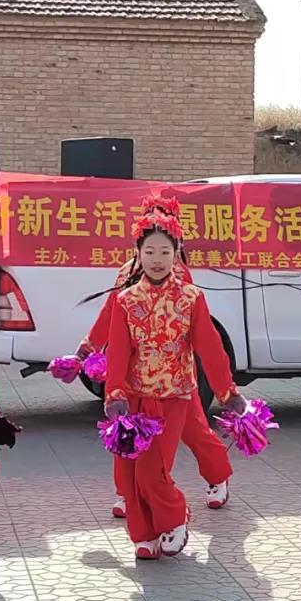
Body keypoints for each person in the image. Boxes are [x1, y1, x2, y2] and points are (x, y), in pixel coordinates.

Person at [78, 195, 234, 519]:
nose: (156, 256)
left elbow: (200, 333)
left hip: (176, 380)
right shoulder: (127, 274)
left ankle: (216, 477)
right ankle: (127, 493)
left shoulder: (182, 280)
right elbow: (110, 312)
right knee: (126, 432)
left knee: (194, 433)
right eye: (149, 225)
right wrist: (89, 346)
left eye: (162, 224)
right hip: (135, 378)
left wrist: (226, 390)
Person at [105, 210, 248, 559]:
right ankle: (145, 535)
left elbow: (210, 348)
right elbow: (119, 351)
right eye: (150, 252)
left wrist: (227, 392)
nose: (157, 259)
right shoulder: (126, 300)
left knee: (153, 471)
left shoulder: (190, 298)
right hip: (135, 399)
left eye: (165, 252)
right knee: (133, 470)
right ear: (138, 254)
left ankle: (174, 517)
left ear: (177, 253)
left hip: (174, 397)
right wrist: (115, 393)